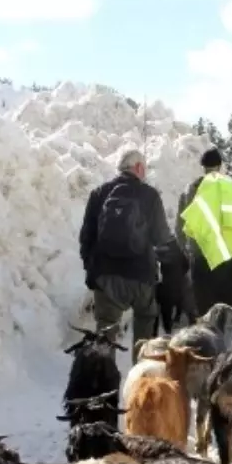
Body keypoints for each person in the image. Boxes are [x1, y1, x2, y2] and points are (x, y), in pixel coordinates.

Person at [79, 149, 178, 350]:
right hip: (141, 278)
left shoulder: (99, 194)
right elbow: (162, 238)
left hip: (106, 277)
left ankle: (103, 376)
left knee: (105, 338)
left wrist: (93, 271)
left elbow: (86, 239)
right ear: (139, 167)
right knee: (145, 325)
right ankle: (141, 375)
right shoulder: (150, 195)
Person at [177, 148, 232, 314]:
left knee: (203, 309)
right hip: (226, 260)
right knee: (226, 309)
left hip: (200, 259)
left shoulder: (189, 191)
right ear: (220, 166)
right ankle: (224, 337)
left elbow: (180, 228)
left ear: (203, 167)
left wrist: (188, 252)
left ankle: (203, 336)